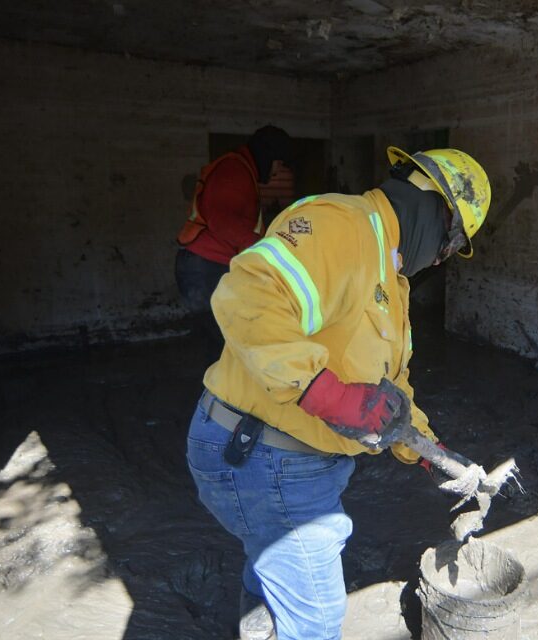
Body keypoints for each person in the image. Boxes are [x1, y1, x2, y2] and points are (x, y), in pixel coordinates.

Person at [185, 147, 490, 639]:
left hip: (276, 459)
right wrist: (328, 395)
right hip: (266, 456)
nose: (440, 259)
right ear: (438, 211)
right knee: (315, 624)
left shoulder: (392, 280)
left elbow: (391, 389)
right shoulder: (340, 225)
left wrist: (428, 452)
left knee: (272, 579)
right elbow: (248, 296)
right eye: (450, 246)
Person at [175, 125, 294, 359]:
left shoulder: (240, 170)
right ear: (268, 155)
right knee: (227, 342)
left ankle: (221, 388)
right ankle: (226, 391)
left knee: (222, 342)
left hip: (204, 266)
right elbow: (223, 221)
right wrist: (266, 251)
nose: (278, 171)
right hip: (204, 269)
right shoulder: (234, 171)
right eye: (279, 163)